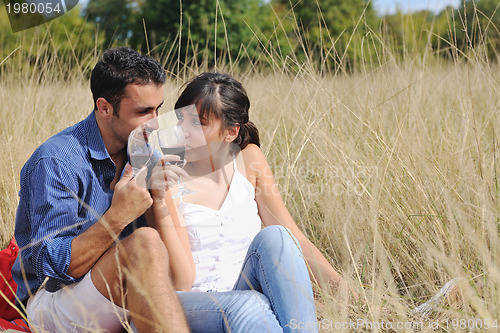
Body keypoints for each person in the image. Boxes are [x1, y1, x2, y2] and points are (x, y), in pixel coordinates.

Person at [11, 48, 279, 333]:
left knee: (247, 297)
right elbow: (47, 264)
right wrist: (116, 218)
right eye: (143, 112)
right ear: (104, 108)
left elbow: (178, 274)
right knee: (146, 242)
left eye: (159, 108)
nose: (155, 123)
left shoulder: (147, 152)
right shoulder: (57, 161)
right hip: (55, 300)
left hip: (128, 290)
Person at [153, 72, 352, 332]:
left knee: (277, 236)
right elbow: (181, 281)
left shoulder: (251, 160)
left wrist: (348, 295)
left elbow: (295, 239)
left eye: (198, 123)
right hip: (193, 303)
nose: (183, 132)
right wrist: (159, 201)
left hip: (246, 292)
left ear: (230, 132)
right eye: (181, 119)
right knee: (252, 305)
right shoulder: (167, 175)